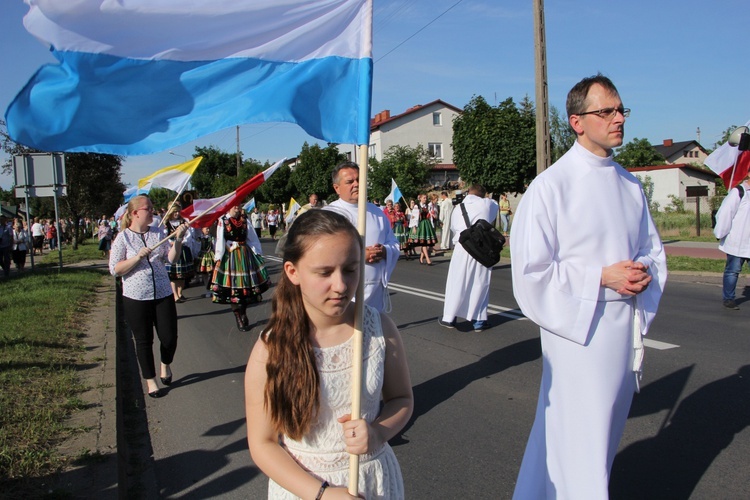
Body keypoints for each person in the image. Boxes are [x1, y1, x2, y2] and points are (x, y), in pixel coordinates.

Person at [509, 74, 667, 499]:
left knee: (587, 442)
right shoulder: (550, 187)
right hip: (577, 335)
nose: (618, 119)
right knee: (582, 447)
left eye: (620, 110)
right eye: (606, 112)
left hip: (620, 330)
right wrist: (601, 276)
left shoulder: (631, 185)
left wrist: (643, 272)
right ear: (577, 122)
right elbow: (530, 273)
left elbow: (652, 250)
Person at [244, 209, 413, 499]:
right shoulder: (271, 349)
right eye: (324, 272)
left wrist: (378, 433)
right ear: (292, 272)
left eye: (350, 269)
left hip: (372, 479)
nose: (341, 285)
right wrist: (322, 494)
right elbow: (263, 443)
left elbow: (402, 399)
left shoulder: (379, 328)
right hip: (305, 487)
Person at [109, 195, 188, 398]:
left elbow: (170, 259)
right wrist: (137, 258)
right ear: (135, 213)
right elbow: (115, 269)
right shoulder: (123, 238)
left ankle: (165, 364)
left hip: (162, 292)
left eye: (152, 208)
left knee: (170, 337)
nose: (153, 212)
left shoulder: (157, 233)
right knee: (144, 340)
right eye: (149, 209)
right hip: (136, 297)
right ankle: (151, 381)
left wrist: (178, 240)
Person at [325, 161, 400, 312]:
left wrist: (384, 251)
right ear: (337, 188)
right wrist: (359, 256)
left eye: (360, 179)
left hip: (375, 293)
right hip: (344, 292)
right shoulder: (329, 214)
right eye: (350, 182)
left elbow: (393, 243)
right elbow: (323, 253)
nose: (357, 184)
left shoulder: (377, 212)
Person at [439, 184, 499, 332]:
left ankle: (450, 317)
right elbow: (495, 206)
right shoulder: (487, 204)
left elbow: (454, 227)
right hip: (481, 247)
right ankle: (479, 320)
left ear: (468, 193)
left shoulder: (458, 207)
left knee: (456, 281)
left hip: (462, 246)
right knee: (480, 282)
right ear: (483, 194)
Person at [211, 203, 269, 332]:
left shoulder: (244, 220)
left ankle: (243, 312)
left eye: (238, 205)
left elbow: (252, 238)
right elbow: (220, 240)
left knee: (245, 288)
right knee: (233, 289)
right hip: (230, 256)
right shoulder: (223, 221)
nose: (237, 207)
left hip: (244, 255)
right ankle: (238, 316)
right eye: (234, 205)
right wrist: (218, 258)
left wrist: (257, 253)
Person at [713, 174, 750, 309]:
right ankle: (729, 298)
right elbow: (725, 213)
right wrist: (720, 232)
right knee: (732, 271)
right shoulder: (739, 192)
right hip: (738, 241)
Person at [163, 202, 197, 303]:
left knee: (182, 275)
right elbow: (164, 236)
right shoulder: (166, 224)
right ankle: (175, 294)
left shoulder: (184, 222)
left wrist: (182, 241)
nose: (177, 214)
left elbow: (189, 235)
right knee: (173, 275)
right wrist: (171, 242)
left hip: (183, 249)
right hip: (172, 250)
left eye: (178, 211)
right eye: (175, 212)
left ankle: (180, 292)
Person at [408, 193, 437, 265]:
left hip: (427, 224)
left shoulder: (427, 206)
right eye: (424, 198)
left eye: (426, 198)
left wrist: (432, 218)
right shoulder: (416, 206)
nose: (425, 199)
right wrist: (414, 227)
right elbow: (414, 217)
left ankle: (421, 258)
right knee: (424, 243)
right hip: (420, 225)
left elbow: (430, 216)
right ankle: (427, 259)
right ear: (420, 198)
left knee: (424, 243)